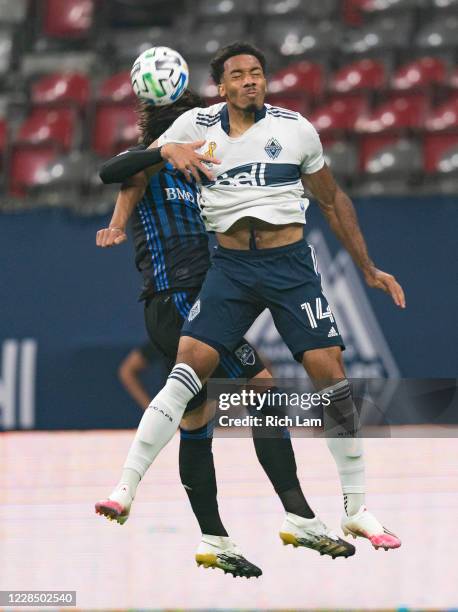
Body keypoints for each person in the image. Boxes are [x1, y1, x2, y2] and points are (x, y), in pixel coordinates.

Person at [95, 88, 356, 578]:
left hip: (192, 297)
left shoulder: (206, 166)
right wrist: (126, 205)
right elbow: (114, 174)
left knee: (197, 421)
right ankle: (299, 517)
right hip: (176, 297)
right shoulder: (149, 165)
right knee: (261, 387)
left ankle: (214, 538)